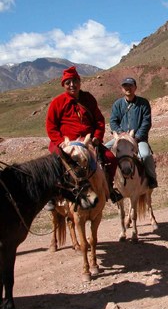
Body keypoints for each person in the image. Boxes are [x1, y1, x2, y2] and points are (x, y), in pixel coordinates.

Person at [45, 66, 123, 210]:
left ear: (79, 82)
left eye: (74, 81)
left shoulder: (88, 99)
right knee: (54, 162)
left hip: (87, 141)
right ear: (64, 85)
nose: (72, 85)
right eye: (68, 82)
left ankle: (110, 189)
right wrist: (61, 142)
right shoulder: (57, 102)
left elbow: (99, 121)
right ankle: (53, 195)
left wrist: (97, 137)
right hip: (66, 142)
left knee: (111, 159)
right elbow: (51, 126)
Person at [107, 77, 158, 189]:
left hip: (138, 139)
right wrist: (121, 134)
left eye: (130, 85)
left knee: (145, 155)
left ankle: (151, 179)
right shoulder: (117, 104)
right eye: (125, 86)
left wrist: (137, 137)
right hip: (121, 138)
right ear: (122, 89)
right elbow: (113, 121)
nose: (128, 88)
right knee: (104, 151)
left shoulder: (143, 103)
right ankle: (108, 181)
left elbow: (146, 123)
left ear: (135, 88)